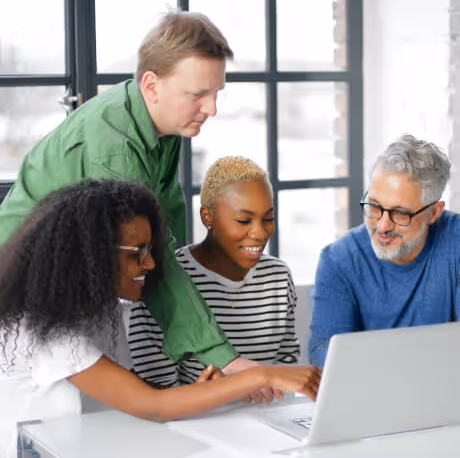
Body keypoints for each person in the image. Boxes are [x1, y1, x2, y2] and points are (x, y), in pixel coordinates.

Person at [0, 10, 247, 375]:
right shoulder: (115, 144)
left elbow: (166, 223)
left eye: (215, 93)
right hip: (21, 296)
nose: (211, 108)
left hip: (71, 291)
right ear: (151, 85)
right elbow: (150, 251)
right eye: (197, 94)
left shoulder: (163, 126)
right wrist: (222, 357)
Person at [0, 179, 321, 458]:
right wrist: (262, 375)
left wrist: (197, 393)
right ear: (90, 255)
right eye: (135, 253)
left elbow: (131, 393)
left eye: (150, 250)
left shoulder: (91, 308)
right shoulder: (45, 329)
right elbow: (153, 405)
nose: (151, 264)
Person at [128, 157, 301, 394]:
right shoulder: (165, 282)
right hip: (194, 422)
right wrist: (215, 393)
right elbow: (156, 394)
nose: (260, 233)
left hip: (268, 418)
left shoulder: (278, 276)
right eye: (243, 220)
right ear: (208, 218)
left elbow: (287, 367)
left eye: (268, 219)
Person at [308, 134, 459, 368]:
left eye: (401, 213)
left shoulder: (455, 244)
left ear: (434, 213)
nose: (382, 226)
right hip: (368, 396)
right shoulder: (338, 259)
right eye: (375, 207)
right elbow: (322, 355)